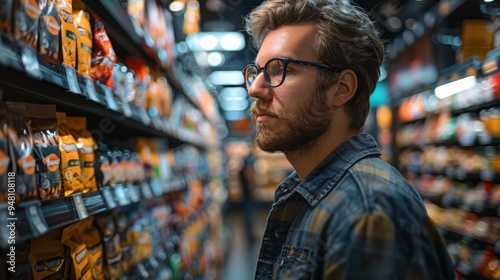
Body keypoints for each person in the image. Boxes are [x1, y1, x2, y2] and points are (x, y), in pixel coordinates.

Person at [242, 0, 456, 279]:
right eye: (256, 73)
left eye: (281, 69)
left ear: (341, 88)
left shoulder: (369, 213)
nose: (255, 90)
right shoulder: (321, 193)